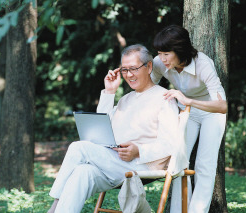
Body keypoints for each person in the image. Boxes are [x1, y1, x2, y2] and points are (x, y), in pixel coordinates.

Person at [47, 44, 189, 213]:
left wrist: (139, 151)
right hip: (114, 162)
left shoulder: (164, 98)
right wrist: (109, 92)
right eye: (124, 70)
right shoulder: (125, 99)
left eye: (134, 69)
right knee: (82, 172)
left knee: (77, 147)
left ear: (149, 66)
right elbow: (101, 128)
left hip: (141, 165)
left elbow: (170, 144)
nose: (129, 75)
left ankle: (54, 205)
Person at [151, 25, 227, 213]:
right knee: (178, 161)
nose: (162, 59)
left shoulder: (203, 63)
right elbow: (148, 87)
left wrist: (187, 100)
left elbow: (222, 106)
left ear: (180, 50)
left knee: (204, 164)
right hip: (186, 111)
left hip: (212, 110)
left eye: (166, 54)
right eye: (159, 53)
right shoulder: (160, 63)